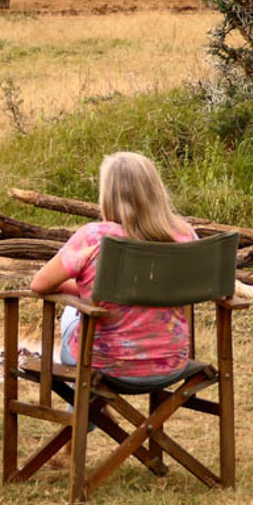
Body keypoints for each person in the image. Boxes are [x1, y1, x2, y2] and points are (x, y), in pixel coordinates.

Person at [30, 151, 197, 390]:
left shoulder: (94, 237)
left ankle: (84, 413)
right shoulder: (184, 233)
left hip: (106, 363)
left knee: (73, 311)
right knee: (88, 305)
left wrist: (82, 289)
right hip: (171, 362)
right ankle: (88, 412)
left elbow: (39, 284)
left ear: (108, 194)